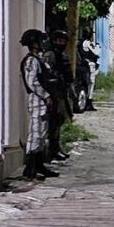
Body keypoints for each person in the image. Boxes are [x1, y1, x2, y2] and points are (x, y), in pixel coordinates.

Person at [19, 29, 59, 180]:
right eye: (40, 41)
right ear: (34, 44)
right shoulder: (31, 61)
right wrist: (46, 95)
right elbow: (32, 82)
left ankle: (38, 165)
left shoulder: (38, 60)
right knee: (35, 133)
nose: (43, 44)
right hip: (37, 100)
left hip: (42, 101)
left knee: (42, 133)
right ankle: (30, 168)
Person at [44, 30, 73, 162]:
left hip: (61, 92)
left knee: (59, 121)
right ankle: (51, 150)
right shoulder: (50, 55)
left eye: (63, 41)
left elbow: (68, 75)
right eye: (58, 41)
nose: (60, 43)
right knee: (52, 123)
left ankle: (55, 149)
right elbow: (48, 74)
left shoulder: (63, 56)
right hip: (52, 93)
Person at [78, 29, 101, 111]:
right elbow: (96, 52)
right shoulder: (87, 43)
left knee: (89, 84)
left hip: (85, 65)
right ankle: (88, 102)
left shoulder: (80, 43)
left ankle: (87, 102)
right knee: (91, 84)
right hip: (90, 65)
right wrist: (97, 47)